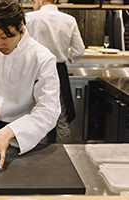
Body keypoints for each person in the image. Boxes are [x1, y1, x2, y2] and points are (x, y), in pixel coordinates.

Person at [0, 0, 61, 171]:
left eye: (5, 37)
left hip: (27, 133)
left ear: (20, 25)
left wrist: (10, 131)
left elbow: (48, 110)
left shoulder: (42, 58)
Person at [25, 0, 85, 143]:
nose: (33, 4)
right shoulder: (69, 20)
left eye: (34, 1)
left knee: (34, 116)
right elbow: (79, 51)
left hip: (34, 70)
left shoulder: (28, 18)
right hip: (58, 70)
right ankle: (64, 157)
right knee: (62, 118)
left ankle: (35, 156)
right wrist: (66, 58)